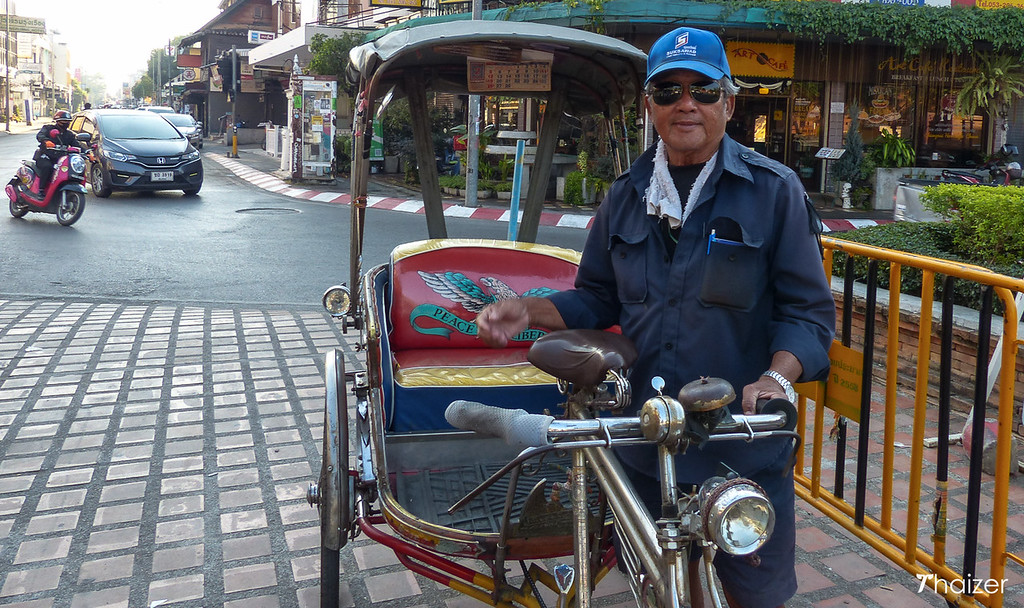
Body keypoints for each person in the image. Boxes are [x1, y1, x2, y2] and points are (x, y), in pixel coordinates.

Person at [475, 26, 835, 608]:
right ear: (650, 105)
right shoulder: (627, 194)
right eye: (669, 91)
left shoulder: (774, 192)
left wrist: (777, 377)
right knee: (657, 584)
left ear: (729, 103)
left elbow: (809, 314)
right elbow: (596, 298)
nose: (686, 104)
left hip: (737, 444)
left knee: (753, 595)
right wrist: (528, 310)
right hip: (643, 439)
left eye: (703, 90)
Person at [33, 110, 78, 192]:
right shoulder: (48, 129)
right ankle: (41, 189)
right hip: (45, 156)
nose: (66, 123)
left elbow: (76, 145)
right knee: (47, 167)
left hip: (60, 159)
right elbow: (40, 135)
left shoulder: (69, 134)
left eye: (68, 122)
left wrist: (88, 153)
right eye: (63, 121)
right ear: (58, 121)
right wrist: (46, 141)